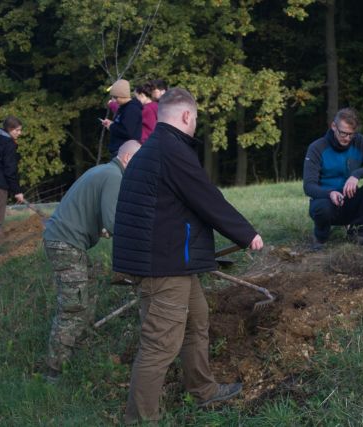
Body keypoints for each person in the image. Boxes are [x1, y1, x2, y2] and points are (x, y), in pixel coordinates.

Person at [112, 88, 264, 424]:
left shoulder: (158, 147)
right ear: (186, 116)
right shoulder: (170, 149)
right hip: (163, 265)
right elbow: (206, 197)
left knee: (197, 320)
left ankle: (204, 391)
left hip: (171, 261)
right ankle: (139, 420)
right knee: (159, 345)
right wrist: (247, 233)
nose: (195, 124)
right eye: (195, 118)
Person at [42, 140, 142, 379]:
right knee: (73, 307)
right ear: (128, 158)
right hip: (66, 243)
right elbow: (114, 222)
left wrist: (98, 228)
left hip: (64, 240)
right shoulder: (114, 177)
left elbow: (93, 213)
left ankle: (78, 345)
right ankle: (53, 371)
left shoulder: (101, 170)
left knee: (90, 287)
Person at [302, 108, 363, 250]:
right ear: (334, 127)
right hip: (327, 202)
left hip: (352, 201)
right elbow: (308, 186)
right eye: (343, 133)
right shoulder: (316, 148)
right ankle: (320, 236)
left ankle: (357, 231)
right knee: (322, 208)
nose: (347, 138)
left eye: (351, 134)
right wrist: (329, 193)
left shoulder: (360, 142)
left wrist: (356, 174)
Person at [0, 116, 25, 242]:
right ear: (9, 129)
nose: (20, 133)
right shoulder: (8, 143)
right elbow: (10, 170)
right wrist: (17, 191)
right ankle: (1, 248)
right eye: (17, 130)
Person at [101, 79, 142, 157]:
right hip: (119, 150)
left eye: (115, 98)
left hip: (125, 153)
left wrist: (111, 126)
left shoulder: (132, 109)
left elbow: (127, 132)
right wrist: (111, 123)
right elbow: (121, 125)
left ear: (121, 96)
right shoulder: (123, 107)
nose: (114, 101)